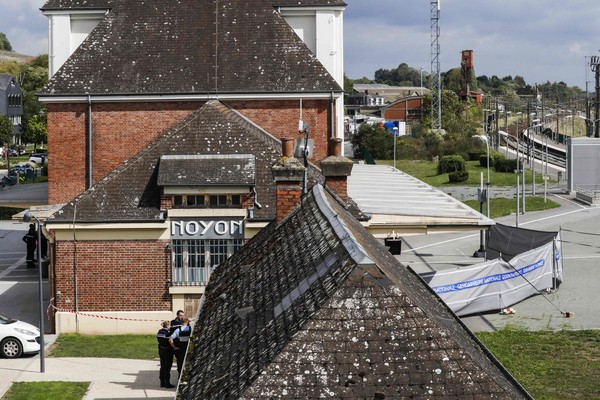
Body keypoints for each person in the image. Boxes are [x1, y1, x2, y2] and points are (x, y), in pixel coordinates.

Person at [156, 320, 175, 388]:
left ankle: (162, 382)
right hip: (167, 351)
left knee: (162, 366)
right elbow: (170, 341)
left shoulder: (159, 332)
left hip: (161, 350)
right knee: (167, 367)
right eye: (169, 325)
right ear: (167, 326)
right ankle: (167, 383)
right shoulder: (167, 333)